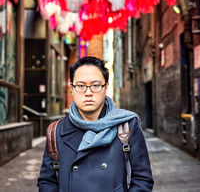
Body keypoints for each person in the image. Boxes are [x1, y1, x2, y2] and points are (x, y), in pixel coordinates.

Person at [38, 56, 154, 192]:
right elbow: (47, 182)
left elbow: (142, 179)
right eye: (81, 86)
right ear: (72, 88)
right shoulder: (56, 131)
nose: (88, 93)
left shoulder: (127, 126)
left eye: (96, 86)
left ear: (106, 87)